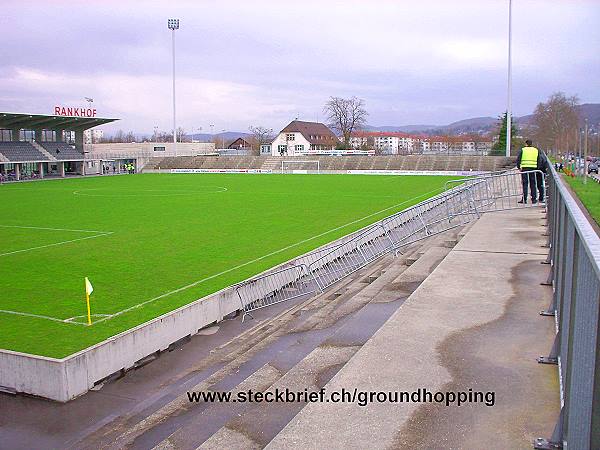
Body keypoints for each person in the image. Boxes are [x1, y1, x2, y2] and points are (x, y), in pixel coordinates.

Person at [515, 139, 542, 204]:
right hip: (533, 169)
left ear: (526, 144)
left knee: (525, 184)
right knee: (533, 184)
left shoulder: (523, 150)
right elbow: (539, 160)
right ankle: (534, 199)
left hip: (525, 169)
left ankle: (524, 199)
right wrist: (537, 168)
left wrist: (519, 167)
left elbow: (518, 159)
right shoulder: (536, 150)